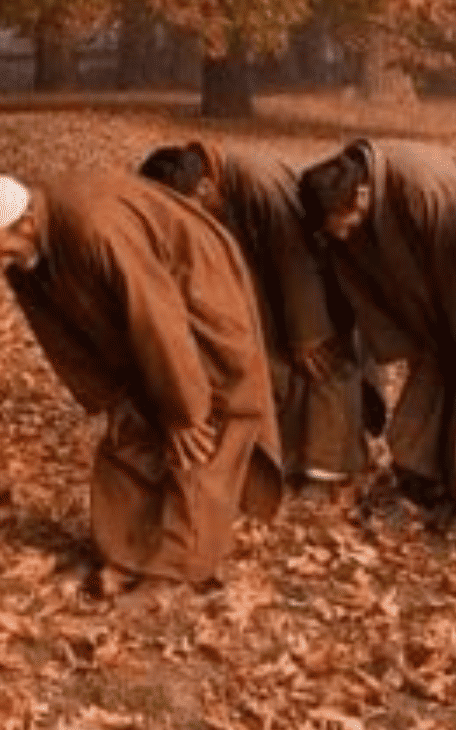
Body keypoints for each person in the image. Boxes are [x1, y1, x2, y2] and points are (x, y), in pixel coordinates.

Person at [0, 168, 285, 596]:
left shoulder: (96, 229)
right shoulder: (26, 250)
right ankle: (128, 554)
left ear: (27, 222)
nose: (1, 265)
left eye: (1, 252)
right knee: (129, 427)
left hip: (199, 302)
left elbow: (157, 318)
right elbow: (57, 333)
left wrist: (183, 410)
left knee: (200, 440)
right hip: (142, 320)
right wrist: (108, 392)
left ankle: (177, 569)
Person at [296, 138, 456, 514]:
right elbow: (356, 270)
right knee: (431, 378)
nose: (342, 234)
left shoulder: (425, 191)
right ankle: (424, 477)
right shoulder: (343, 186)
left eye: (345, 223)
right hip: (425, 290)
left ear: (361, 196)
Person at [139, 141, 370, 489]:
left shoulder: (257, 183)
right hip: (280, 283)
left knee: (323, 366)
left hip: (315, 282)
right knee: (278, 369)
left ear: (204, 187)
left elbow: (294, 256)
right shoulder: (219, 182)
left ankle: (329, 471)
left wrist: (305, 332)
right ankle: (290, 461)